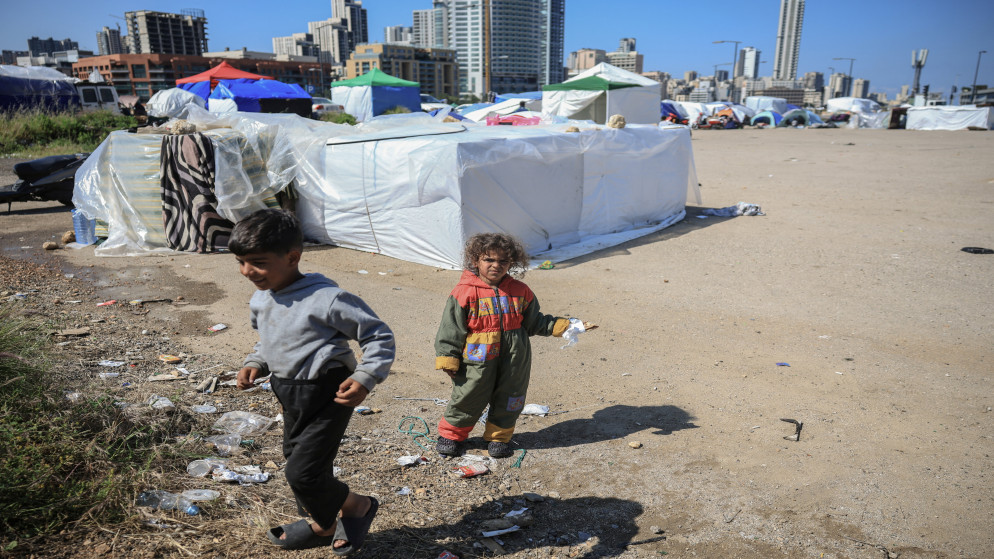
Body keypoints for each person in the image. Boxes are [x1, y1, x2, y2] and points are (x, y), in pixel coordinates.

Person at [231, 209, 394, 555]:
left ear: (292, 257)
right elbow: (269, 339)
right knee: (297, 460)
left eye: (257, 262)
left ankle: (339, 516)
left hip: (328, 392)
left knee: (302, 474)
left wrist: (365, 377)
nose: (247, 272)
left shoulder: (326, 299)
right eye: (241, 262)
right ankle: (338, 513)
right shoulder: (262, 298)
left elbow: (378, 335)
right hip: (288, 391)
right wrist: (256, 362)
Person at [434, 233, 595, 459]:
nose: (496, 266)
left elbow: (535, 322)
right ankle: (451, 436)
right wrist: (448, 357)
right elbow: (451, 328)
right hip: (477, 360)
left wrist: (568, 326)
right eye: (489, 260)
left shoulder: (521, 291)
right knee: (468, 396)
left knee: (511, 397)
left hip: (514, 359)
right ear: (475, 261)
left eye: (503, 261)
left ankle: (498, 438)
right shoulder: (464, 292)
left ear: (512, 263)